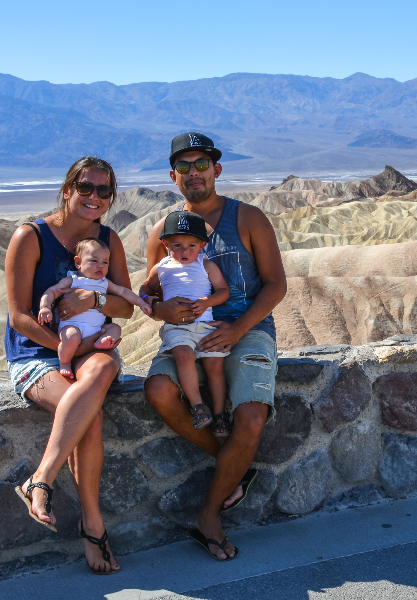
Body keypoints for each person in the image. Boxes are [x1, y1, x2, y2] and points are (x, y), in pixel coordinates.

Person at [144, 132, 287, 561]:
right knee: (158, 391)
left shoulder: (249, 218)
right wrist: (162, 311)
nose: (194, 173)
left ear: (217, 170)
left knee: (250, 416)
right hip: (189, 334)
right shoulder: (162, 231)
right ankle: (236, 465)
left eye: (201, 165)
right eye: (184, 167)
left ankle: (208, 517)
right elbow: (149, 291)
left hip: (248, 329)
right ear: (173, 176)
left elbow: (277, 284)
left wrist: (239, 328)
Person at [5, 156, 133, 575]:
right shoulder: (31, 237)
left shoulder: (108, 241)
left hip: (90, 346)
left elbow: (125, 306)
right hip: (37, 353)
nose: (94, 197)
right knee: (88, 418)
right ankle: (92, 526)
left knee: (103, 368)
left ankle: (40, 479)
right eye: (86, 187)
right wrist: (68, 348)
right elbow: (19, 316)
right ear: (67, 189)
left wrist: (94, 301)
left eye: (104, 191)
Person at [140, 211, 231, 437]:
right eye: (177, 245)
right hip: (177, 327)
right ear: (165, 244)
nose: (185, 251)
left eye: (192, 245)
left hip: (205, 325)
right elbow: (146, 288)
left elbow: (223, 291)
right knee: (183, 355)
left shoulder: (206, 265)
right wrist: (147, 300)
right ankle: (198, 406)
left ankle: (219, 414)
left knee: (214, 366)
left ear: (202, 245)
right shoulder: (161, 267)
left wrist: (207, 301)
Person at [39, 237, 152, 379]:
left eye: (105, 262)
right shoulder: (73, 280)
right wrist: (45, 307)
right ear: (78, 262)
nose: (100, 266)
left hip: (97, 329)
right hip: (73, 325)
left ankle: (101, 342)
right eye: (94, 261)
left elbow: (123, 292)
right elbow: (52, 291)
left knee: (115, 328)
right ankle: (65, 363)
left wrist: (141, 303)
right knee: (71, 337)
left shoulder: (105, 283)